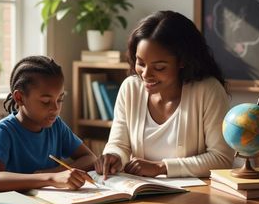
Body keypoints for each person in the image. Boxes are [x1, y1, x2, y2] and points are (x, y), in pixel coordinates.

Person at [94, 11, 234, 179]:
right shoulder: (130, 88)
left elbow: (221, 159)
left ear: (182, 61)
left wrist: (161, 167)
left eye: (159, 67)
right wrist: (113, 156)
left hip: (197, 197)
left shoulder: (208, 90)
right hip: (144, 195)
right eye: (140, 63)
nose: (145, 74)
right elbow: (119, 144)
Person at [0, 56, 96, 192]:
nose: (55, 109)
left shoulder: (56, 126)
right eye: (46, 101)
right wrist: (51, 178)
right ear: (19, 98)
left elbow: (90, 158)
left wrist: (56, 171)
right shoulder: (3, 131)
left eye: (60, 100)